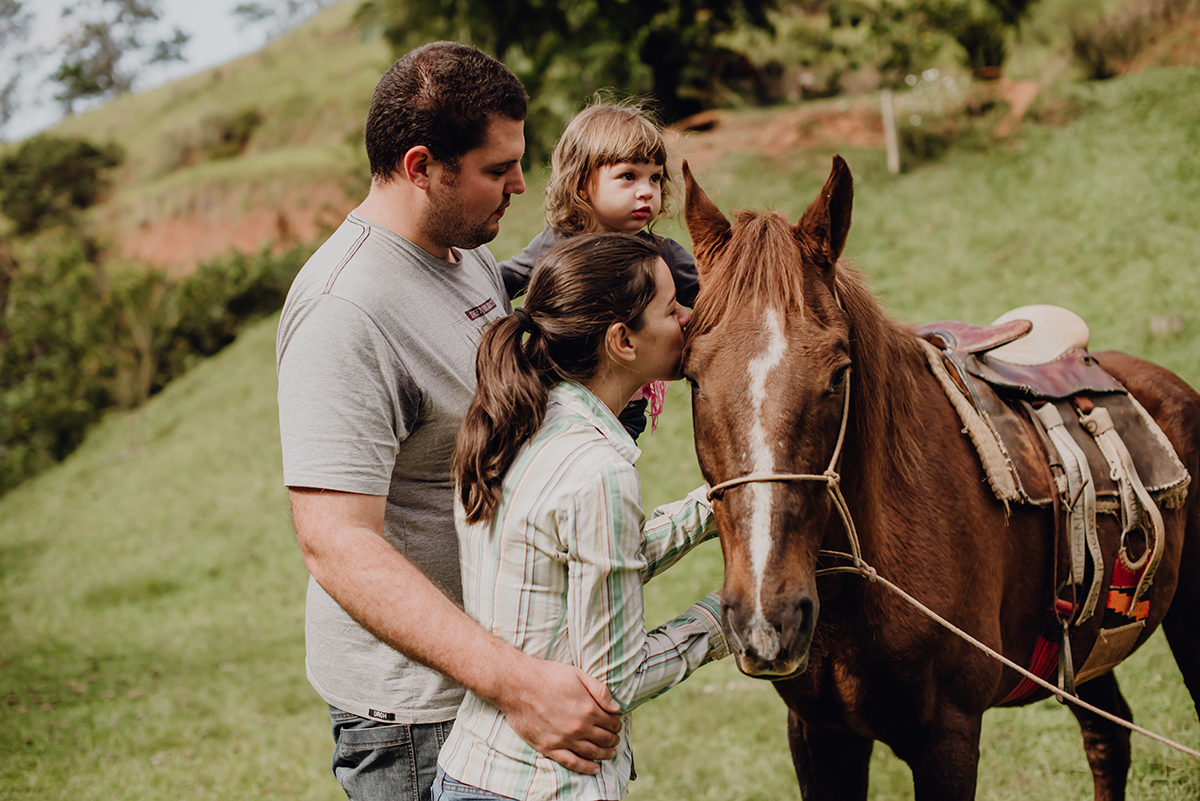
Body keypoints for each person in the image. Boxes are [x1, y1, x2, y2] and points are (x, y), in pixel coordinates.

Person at [276, 42, 621, 801]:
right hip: (415, 719)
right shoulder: (344, 310)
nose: (520, 185)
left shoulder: (462, 253)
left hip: (502, 675)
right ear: (421, 165)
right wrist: (518, 682)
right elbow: (335, 542)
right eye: (498, 169)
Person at [434, 233, 727, 801]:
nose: (688, 319)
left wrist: (714, 506)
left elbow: (581, 567)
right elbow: (614, 685)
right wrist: (722, 620)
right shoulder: (598, 470)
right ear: (621, 340)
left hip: (471, 772)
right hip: (545, 788)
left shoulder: (511, 422)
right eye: (671, 309)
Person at [498, 99, 699, 440]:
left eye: (654, 179)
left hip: (626, 409)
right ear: (580, 184)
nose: (646, 192)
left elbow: (718, 297)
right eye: (628, 176)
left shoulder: (662, 255)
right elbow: (499, 283)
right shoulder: (556, 246)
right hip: (551, 400)